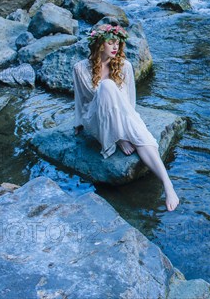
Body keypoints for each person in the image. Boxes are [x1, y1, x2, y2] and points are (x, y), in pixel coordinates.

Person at [72, 23, 180, 211]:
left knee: (139, 135)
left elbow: (129, 103)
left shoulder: (125, 66)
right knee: (107, 86)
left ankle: (167, 184)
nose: (116, 47)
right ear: (99, 44)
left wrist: (131, 125)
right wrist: (78, 123)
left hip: (121, 115)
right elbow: (81, 100)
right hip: (96, 118)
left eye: (118, 44)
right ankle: (119, 137)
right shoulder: (80, 68)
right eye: (111, 43)